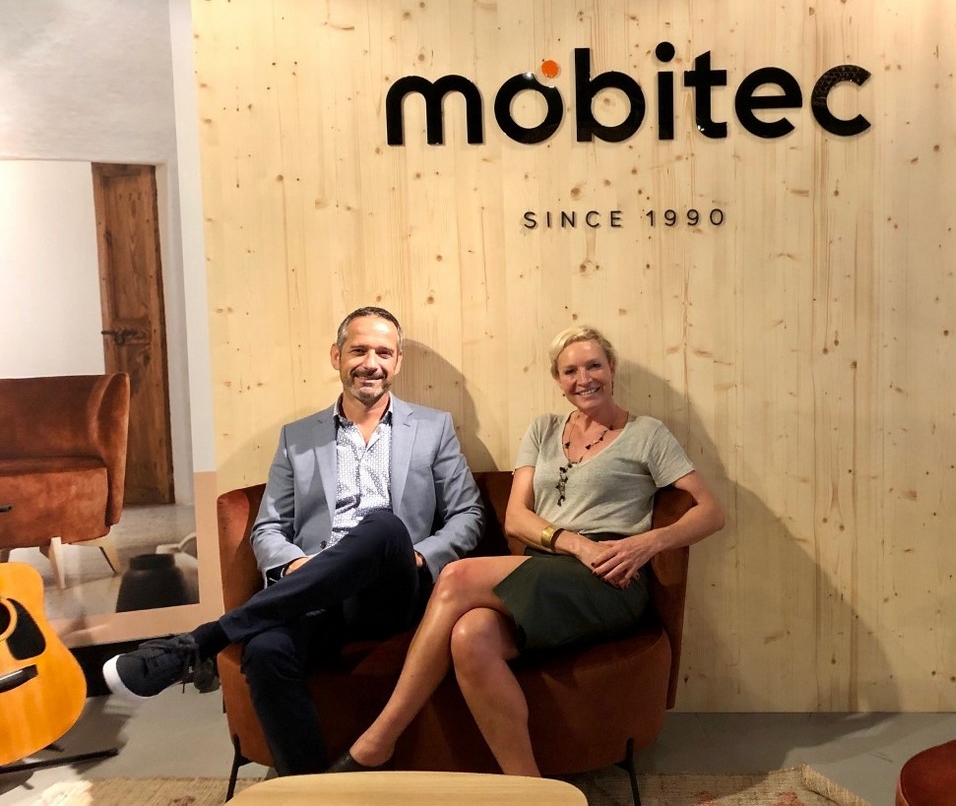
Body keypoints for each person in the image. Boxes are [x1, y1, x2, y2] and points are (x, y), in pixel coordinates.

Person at [103, 306, 484, 775]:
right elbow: (268, 527)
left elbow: (469, 514)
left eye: (384, 353)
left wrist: (419, 558)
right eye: (359, 350)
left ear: (398, 361)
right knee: (266, 652)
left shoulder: (432, 427)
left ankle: (202, 641)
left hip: (389, 591)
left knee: (384, 527)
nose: (371, 363)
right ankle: (309, 790)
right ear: (336, 356)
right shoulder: (298, 437)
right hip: (312, 594)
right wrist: (296, 567)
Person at [329, 323, 724, 774]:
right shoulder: (543, 430)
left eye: (594, 366)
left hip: (610, 577)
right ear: (558, 380)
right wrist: (574, 545)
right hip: (553, 564)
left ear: (612, 369)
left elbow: (711, 512)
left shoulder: (647, 433)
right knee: (470, 636)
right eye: (570, 371)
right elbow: (517, 517)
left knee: (457, 575)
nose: (584, 379)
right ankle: (529, 789)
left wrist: (645, 544)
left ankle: (378, 740)